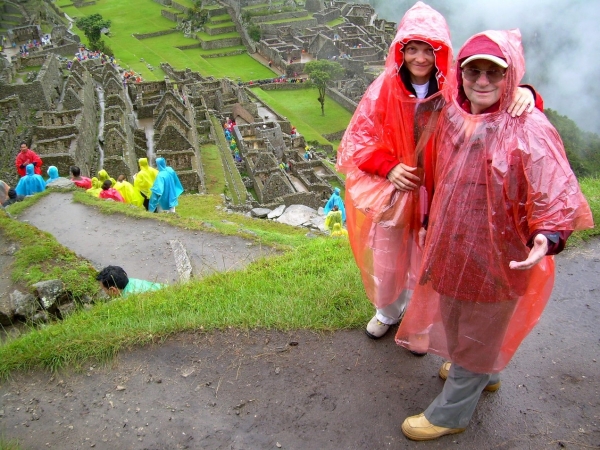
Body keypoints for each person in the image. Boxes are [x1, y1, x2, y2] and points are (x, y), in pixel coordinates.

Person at [396, 30, 593, 441]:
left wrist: (547, 235)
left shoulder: (528, 125)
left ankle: (451, 413)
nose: (482, 81)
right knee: (453, 310)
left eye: (495, 73)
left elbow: (553, 185)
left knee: (480, 322)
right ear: (461, 74)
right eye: (474, 71)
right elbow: (411, 86)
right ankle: (483, 369)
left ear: (510, 77)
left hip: (498, 249)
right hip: (452, 239)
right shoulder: (452, 113)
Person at [336, 2, 540, 342]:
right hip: (396, 193)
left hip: (439, 195)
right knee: (387, 263)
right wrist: (388, 167)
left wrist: (524, 93)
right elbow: (359, 140)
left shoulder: (453, 92)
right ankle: (387, 312)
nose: (419, 58)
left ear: (441, 51)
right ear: (400, 50)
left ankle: (420, 325)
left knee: (426, 265)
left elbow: (490, 107)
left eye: (428, 50)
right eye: (412, 49)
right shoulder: (384, 89)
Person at [96, 265, 164, 298]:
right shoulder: (133, 281)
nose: (104, 292)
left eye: (104, 289)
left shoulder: (129, 298)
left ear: (113, 290)